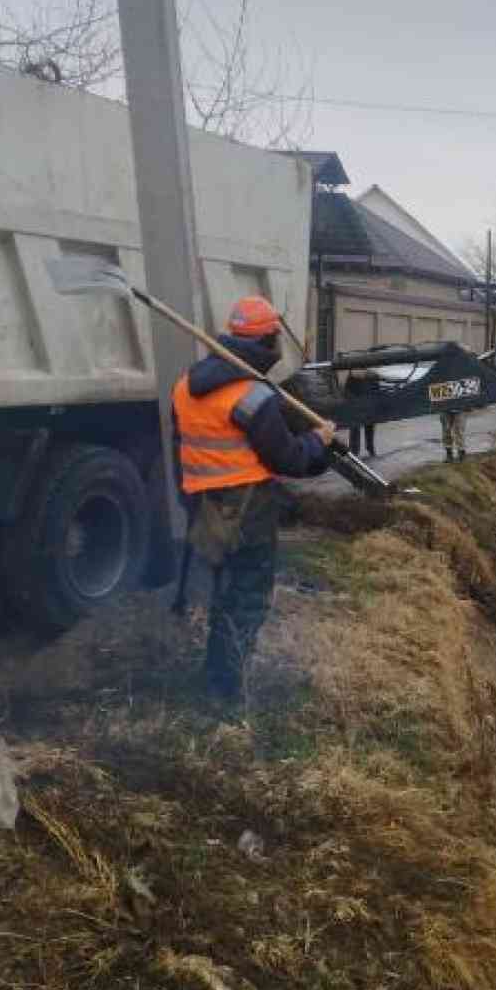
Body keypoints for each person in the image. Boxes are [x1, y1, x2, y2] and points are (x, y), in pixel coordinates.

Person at [172, 295, 335, 705]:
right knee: (246, 599)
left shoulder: (187, 385)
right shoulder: (252, 396)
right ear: (267, 341)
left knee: (224, 592)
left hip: (205, 505)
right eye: (276, 338)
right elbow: (290, 459)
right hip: (247, 510)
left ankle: (216, 674)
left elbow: (188, 445)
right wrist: (319, 441)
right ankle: (226, 692)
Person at [343, 368, 381, 458]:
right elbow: (347, 392)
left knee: (369, 427)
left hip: (368, 406)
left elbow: (377, 392)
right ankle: (354, 452)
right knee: (355, 429)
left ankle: (370, 449)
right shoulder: (353, 376)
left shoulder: (373, 376)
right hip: (357, 407)